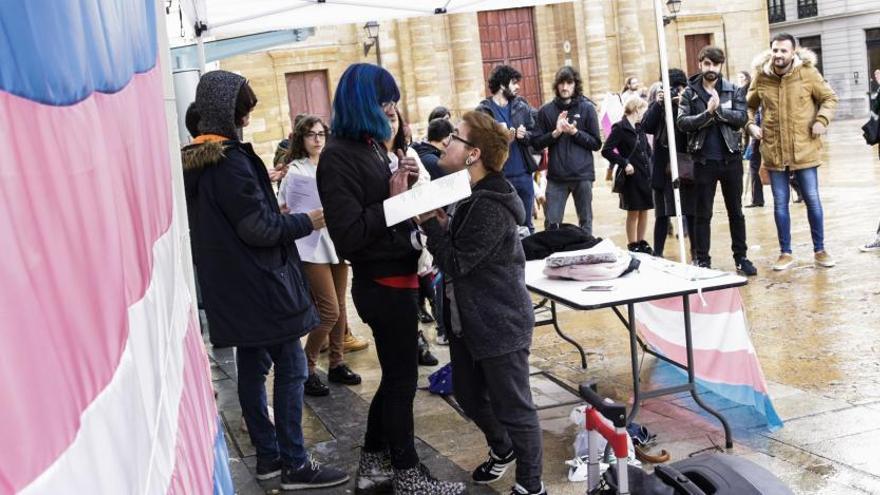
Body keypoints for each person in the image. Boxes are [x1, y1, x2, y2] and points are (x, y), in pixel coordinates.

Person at [182, 71, 348, 490]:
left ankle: (270, 459)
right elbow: (257, 228)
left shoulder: (200, 160)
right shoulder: (230, 161)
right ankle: (294, 462)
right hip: (262, 285)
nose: (248, 118)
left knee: (253, 369)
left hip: (236, 287)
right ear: (229, 111)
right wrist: (304, 221)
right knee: (291, 368)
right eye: (245, 109)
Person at [316, 63, 465, 495]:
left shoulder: (371, 146)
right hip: (380, 284)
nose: (392, 110)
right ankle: (409, 473)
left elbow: (386, 209)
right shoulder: (338, 156)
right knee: (401, 381)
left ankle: (375, 462)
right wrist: (396, 202)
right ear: (364, 103)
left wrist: (412, 191)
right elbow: (348, 237)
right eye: (385, 102)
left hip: (399, 276)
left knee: (396, 377)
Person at [419, 111, 546, 495]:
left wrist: (428, 223)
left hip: (498, 320)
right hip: (469, 319)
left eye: (455, 137)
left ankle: (531, 485)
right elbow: (464, 249)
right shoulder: (472, 194)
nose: (447, 142)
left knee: (515, 408)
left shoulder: (490, 203)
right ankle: (502, 449)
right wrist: (441, 224)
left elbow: (456, 262)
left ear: (473, 153)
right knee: (471, 396)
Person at [276, 115, 362, 397]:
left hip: (337, 237)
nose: (317, 139)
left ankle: (337, 362)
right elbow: (283, 206)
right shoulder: (294, 169)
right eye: (311, 134)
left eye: (321, 134)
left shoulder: (334, 163)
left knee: (340, 306)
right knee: (329, 309)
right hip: (309, 242)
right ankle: (307, 367)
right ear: (301, 138)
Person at [746, 33, 839, 270]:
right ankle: (785, 253)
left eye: (783, 51)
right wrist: (750, 125)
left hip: (804, 149)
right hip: (774, 151)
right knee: (779, 203)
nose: (778, 55)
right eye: (775, 50)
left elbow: (829, 98)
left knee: (812, 199)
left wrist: (822, 120)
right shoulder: (762, 76)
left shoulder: (808, 73)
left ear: (793, 52)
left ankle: (820, 250)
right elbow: (747, 105)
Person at [676, 46, 757, 276]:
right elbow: (682, 123)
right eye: (706, 64)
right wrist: (706, 115)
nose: (710, 69)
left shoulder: (733, 90)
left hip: (730, 159)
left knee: (736, 212)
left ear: (721, 65)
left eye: (715, 64)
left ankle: (741, 258)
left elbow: (741, 118)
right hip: (703, 161)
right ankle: (702, 259)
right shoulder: (689, 93)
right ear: (700, 64)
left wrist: (717, 111)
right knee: (703, 213)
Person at [532, 66, 602, 234]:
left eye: (569, 83)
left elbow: (596, 143)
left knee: (586, 224)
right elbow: (536, 143)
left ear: (575, 85)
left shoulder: (587, 109)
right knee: (552, 225)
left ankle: (587, 256)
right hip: (557, 177)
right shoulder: (546, 111)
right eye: (561, 83)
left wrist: (575, 133)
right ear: (556, 86)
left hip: (582, 176)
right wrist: (555, 133)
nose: (565, 87)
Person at [641, 68, 697, 258]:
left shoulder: (690, 101)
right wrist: (659, 104)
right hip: (661, 165)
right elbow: (646, 126)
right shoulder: (658, 104)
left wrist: (683, 102)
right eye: (670, 87)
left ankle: (696, 254)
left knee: (690, 211)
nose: (673, 91)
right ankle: (658, 253)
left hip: (684, 163)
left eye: (677, 87)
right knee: (662, 214)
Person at [477, 64, 539, 232]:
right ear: (502, 85)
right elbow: (479, 144)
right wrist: (502, 139)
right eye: (513, 82)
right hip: (500, 178)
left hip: (524, 175)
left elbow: (535, 135)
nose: (518, 86)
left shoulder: (521, 106)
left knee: (527, 226)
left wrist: (524, 135)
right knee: (505, 227)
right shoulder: (484, 110)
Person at [602, 97, 654, 253]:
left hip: (645, 174)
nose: (645, 113)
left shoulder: (640, 127)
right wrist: (624, 163)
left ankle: (641, 241)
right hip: (630, 177)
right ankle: (632, 244)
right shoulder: (619, 127)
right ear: (636, 109)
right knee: (633, 211)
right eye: (643, 109)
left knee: (644, 209)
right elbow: (606, 150)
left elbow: (647, 150)